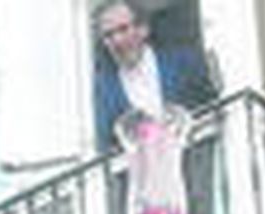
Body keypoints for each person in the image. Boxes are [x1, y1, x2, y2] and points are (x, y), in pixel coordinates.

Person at [92, 1, 218, 153]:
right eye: (108, 35)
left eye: (123, 29)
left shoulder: (184, 64)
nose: (117, 40)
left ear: (143, 29)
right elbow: (106, 146)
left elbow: (213, 109)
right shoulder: (105, 92)